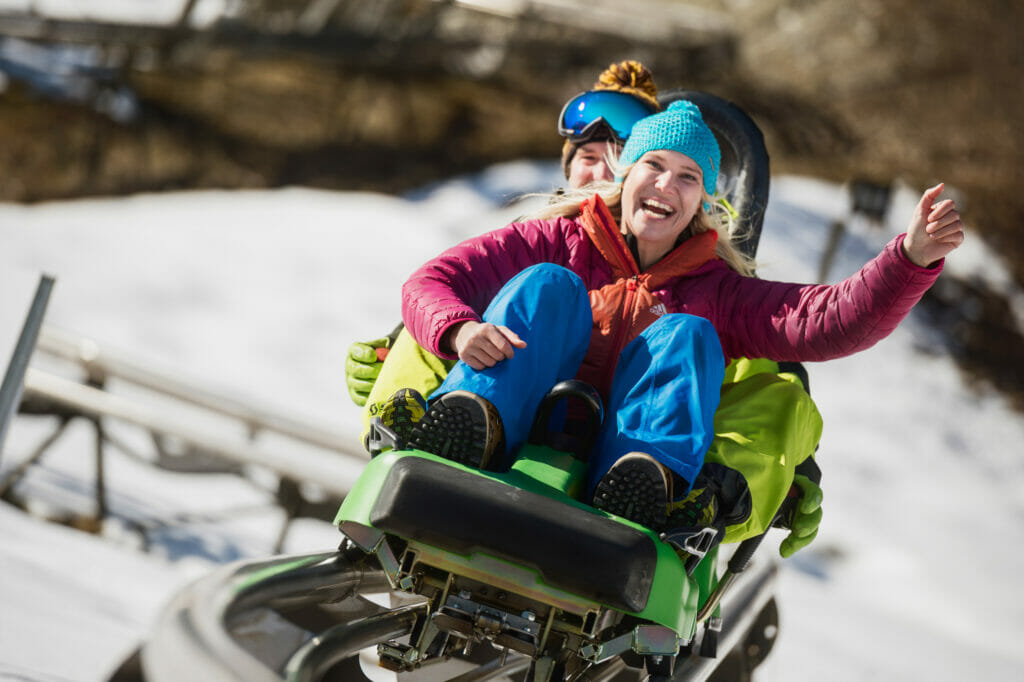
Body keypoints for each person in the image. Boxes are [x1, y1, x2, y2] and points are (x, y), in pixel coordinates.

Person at [395, 100, 963, 535]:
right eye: (655, 165)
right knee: (549, 285)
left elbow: (829, 320)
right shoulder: (556, 239)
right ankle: (472, 423)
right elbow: (432, 281)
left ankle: (645, 481)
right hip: (515, 431)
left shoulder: (717, 291)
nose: (667, 185)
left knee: (689, 334)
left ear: (703, 201)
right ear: (627, 174)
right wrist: (460, 328)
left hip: (615, 467)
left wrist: (910, 258)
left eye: (689, 176)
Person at [349, 62, 825, 555]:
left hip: (634, 444)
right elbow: (439, 290)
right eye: (588, 156)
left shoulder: (706, 269)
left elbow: (771, 373)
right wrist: (393, 363)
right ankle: (426, 429)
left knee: (705, 350)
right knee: (476, 312)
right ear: (567, 166)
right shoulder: (543, 240)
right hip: (510, 423)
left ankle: (684, 494)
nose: (600, 171)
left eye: (617, 156)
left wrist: (792, 463)